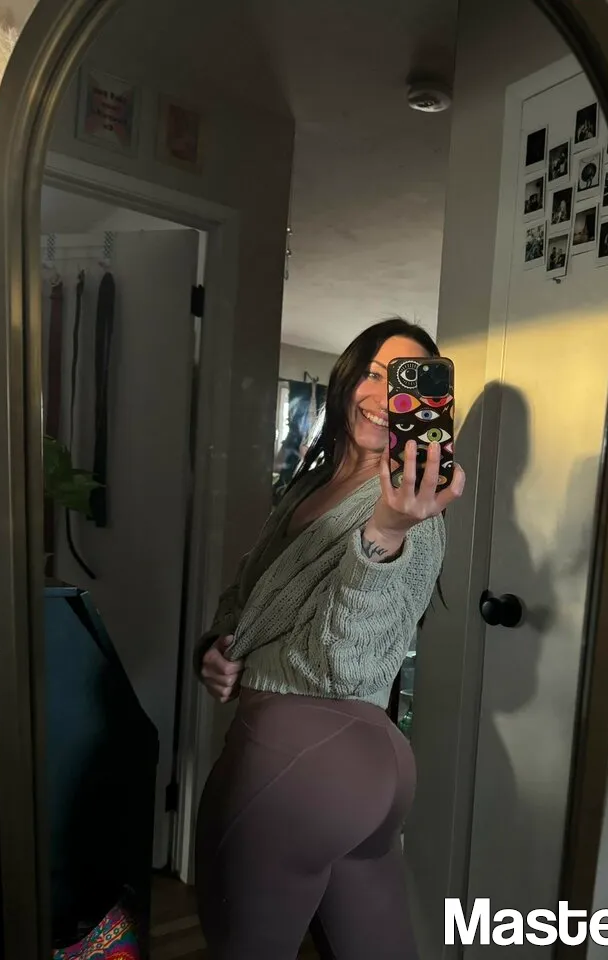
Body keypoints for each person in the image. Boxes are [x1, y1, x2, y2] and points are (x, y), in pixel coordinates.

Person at [193, 317, 465, 960]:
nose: (382, 395)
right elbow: (251, 595)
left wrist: (387, 533)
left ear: (427, 404)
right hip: (362, 769)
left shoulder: (413, 513)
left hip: (299, 755)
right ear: (347, 376)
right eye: (374, 372)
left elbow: (349, 665)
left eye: (404, 382)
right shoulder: (308, 487)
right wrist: (218, 645)